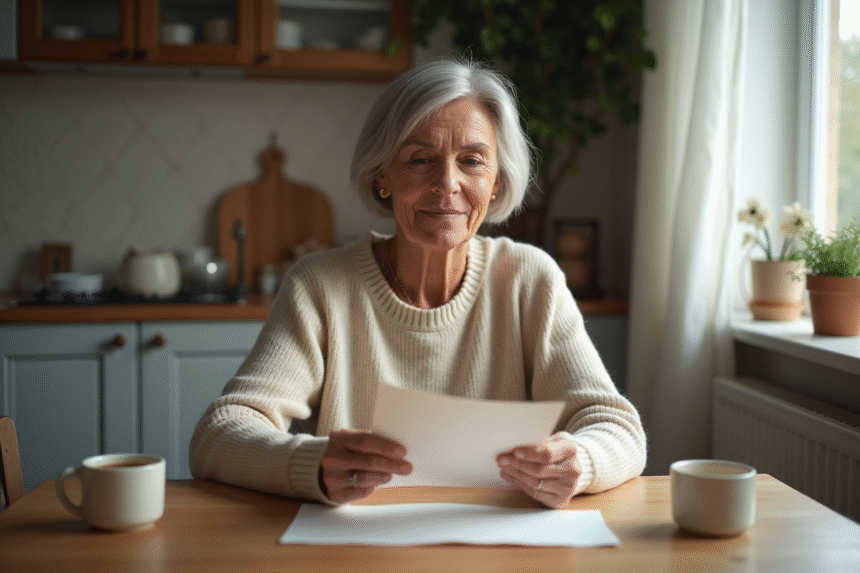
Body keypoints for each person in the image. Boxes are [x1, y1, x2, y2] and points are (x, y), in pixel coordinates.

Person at [189, 59, 646, 509]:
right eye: (421, 159)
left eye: (471, 161)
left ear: (496, 182)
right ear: (383, 176)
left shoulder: (530, 279)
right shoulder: (320, 286)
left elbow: (617, 427)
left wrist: (581, 460)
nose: (447, 183)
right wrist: (310, 462)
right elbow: (218, 434)